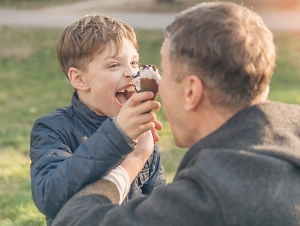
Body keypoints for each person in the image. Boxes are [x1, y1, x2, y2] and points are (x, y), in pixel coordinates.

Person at [53, 1, 300, 226]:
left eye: (165, 74)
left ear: (191, 91)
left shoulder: (208, 198)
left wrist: (134, 162)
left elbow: (73, 221)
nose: (155, 83)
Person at [29, 14, 166, 226]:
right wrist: (119, 136)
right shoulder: (53, 129)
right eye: (113, 65)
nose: (131, 72)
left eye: (134, 62)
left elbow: (159, 203)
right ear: (80, 79)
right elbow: (49, 197)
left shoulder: (142, 133)